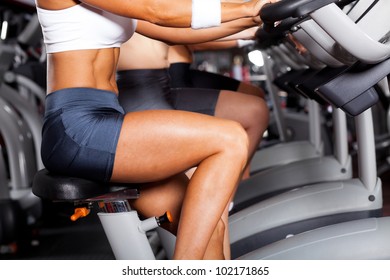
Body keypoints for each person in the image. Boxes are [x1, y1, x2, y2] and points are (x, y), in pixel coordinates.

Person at [35, 0, 270, 260]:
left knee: (210, 225)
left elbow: (171, 32)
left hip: (108, 118)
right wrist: (248, 8)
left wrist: (255, 21)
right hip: (76, 127)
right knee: (230, 138)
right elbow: (157, 11)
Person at [118, 28, 269, 180]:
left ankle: (237, 187)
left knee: (254, 111)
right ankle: (228, 192)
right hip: (148, 84)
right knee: (230, 137)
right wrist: (249, 32)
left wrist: (250, 30)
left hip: (164, 81)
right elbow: (185, 31)